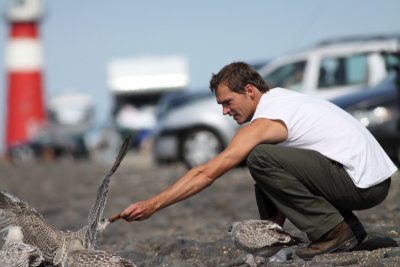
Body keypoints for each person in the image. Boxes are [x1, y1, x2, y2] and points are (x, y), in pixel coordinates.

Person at [121, 62, 397, 260]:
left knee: (259, 158)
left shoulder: (267, 120)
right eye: (221, 106)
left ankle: (333, 231)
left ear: (250, 91)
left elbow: (207, 173)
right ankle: (343, 229)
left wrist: (153, 204)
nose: (225, 111)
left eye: (228, 102)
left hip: (363, 185)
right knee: (266, 174)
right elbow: (285, 180)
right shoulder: (283, 100)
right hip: (370, 179)